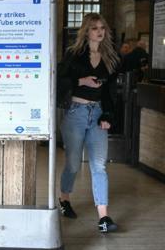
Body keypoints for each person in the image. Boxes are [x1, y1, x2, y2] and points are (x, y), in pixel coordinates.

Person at [57, 13, 120, 233]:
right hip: (76, 113)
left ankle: (104, 218)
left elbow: (110, 91)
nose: (99, 31)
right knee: (73, 164)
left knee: (99, 166)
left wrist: (108, 116)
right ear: (86, 30)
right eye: (94, 28)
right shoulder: (73, 54)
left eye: (102, 27)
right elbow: (59, 80)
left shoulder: (110, 57)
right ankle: (64, 199)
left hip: (98, 114)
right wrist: (80, 81)